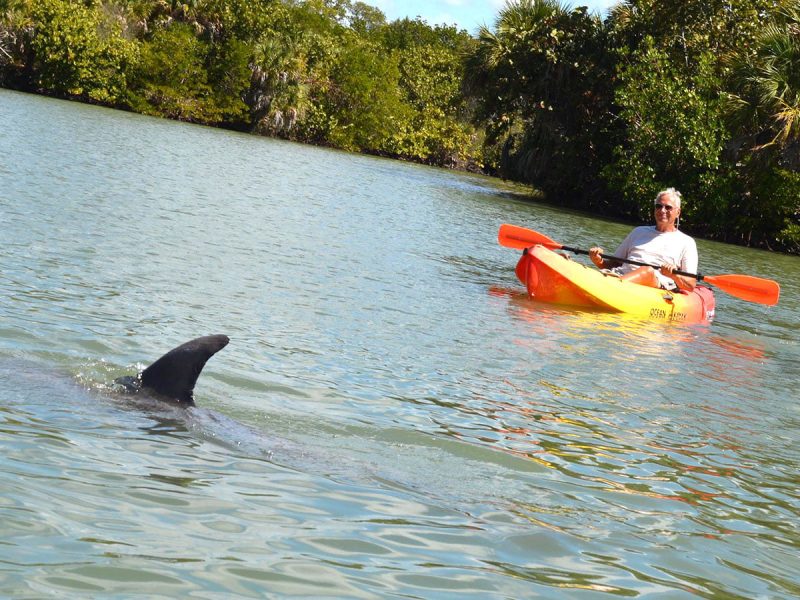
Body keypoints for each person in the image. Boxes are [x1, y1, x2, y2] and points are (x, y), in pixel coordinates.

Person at [588, 188, 697, 292]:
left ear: (678, 212)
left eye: (668, 207)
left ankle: (608, 288)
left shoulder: (687, 242)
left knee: (647, 271)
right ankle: (609, 285)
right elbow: (614, 264)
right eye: (658, 206)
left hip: (656, 285)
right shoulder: (638, 231)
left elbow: (691, 284)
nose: (662, 210)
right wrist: (598, 260)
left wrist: (673, 275)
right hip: (620, 276)